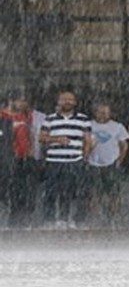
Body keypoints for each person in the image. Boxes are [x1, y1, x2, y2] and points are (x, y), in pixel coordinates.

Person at [39, 90, 92, 229]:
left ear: (75, 102)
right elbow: (41, 138)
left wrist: (84, 158)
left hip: (75, 161)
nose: (67, 102)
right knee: (51, 192)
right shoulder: (49, 118)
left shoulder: (83, 119)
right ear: (58, 101)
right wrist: (57, 139)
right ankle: (50, 221)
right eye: (63, 99)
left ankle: (75, 221)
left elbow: (88, 140)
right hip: (54, 161)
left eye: (70, 99)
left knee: (74, 192)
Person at [86, 103, 129, 226]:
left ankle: (114, 219)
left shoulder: (117, 127)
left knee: (113, 193)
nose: (103, 115)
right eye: (100, 112)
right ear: (95, 113)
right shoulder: (88, 125)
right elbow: (84, 143)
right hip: (93, 163)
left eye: (106, 112)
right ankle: (94, 219)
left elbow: (124, 145)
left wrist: (119, 160)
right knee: (93, 193)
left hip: (111, 164)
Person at [1, 91, 37, 227]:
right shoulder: (2, 116)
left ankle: (16, 222)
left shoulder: (25, 117)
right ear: (12, 101)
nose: (23, 104)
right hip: (6, 159)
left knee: (20, 190)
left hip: (23, 159)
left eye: (25, 101)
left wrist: (31, 152)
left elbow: (29, 136)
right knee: (6, 191)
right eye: (20, 101)